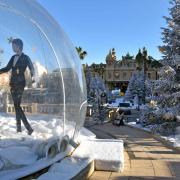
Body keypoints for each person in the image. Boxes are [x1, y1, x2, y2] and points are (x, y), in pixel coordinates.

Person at [0, 38, 35, 135]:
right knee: (16, 106)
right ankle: (19, 129)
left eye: (13, 46)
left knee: (17, 105)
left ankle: (28, 128)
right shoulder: (12, 57)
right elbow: (7, 68)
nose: (12, 47)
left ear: (18, 46)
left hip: (20, 83)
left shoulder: (26, 57)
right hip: (13, 83)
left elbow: (32, 68)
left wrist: (33, 79)